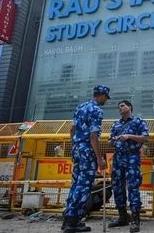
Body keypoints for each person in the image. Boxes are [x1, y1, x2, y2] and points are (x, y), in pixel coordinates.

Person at [63, 84, 110, 233]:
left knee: (75, 183)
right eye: (105, 98)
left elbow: (72, 129)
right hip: (87, 149)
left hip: (77, 147)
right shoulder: (96, 110)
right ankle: (72, 222)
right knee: (84, 186)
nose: (105, 101)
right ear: (101, 96)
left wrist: (74, 148)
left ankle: (67, 218)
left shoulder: (80, 107)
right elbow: (93, 135)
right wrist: (99, 158)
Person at [107, 100, 149, 233]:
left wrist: (129, 136)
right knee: (117, 187)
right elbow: (109, 143)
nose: (120, 108)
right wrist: (112, 140)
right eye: (118, 107)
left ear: (129, 107)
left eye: (122, 106)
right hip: (118, 158)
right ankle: (123, 216)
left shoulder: (138, 121)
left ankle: (135, 219)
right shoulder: (116, 124)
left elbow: (145, 138)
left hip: (132, 157)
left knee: (133, 187)